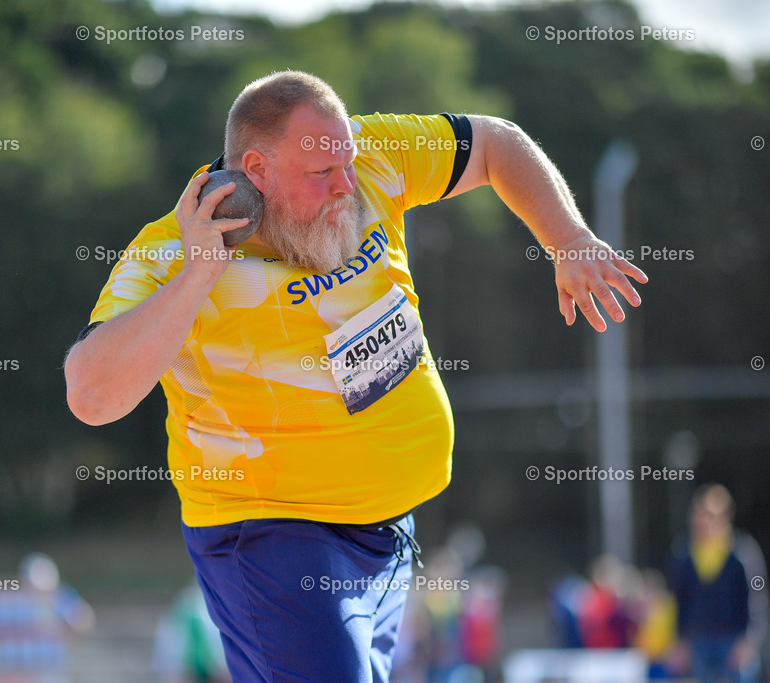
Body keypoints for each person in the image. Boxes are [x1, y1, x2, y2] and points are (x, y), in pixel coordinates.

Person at [64, 70, 647, 682]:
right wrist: (199, 276)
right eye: (321, 174)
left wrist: (567, 237)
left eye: (346, 161)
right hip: (272, 536)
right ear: (254, 172)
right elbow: (91, 394)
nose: (348, 185)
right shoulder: (170, 254)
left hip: (388, 532)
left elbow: (497, 143)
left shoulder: (365, 157)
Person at [666, 484, 767, 683]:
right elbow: (679, 600)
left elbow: (756, 599)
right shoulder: (684, 554)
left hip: (734, 640)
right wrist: (680, 640)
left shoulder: (742, 553)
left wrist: (749, 640)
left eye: (710, 515)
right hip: (699, 640)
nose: (704, 521)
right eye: (700, 515)